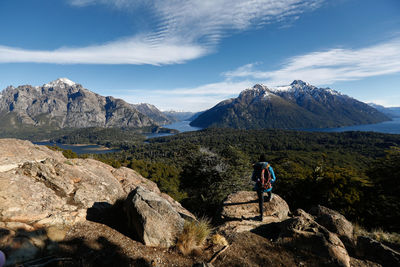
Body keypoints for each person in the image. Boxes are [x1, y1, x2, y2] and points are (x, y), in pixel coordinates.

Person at [251, 154, 276, 221]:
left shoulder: (256, 167)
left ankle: (261, 216)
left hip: (259, 186)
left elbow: (253, 178)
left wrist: (259, 181)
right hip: (268, 186)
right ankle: (269, 196)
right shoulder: (269, 167)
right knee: (269, 189)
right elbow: (274, 178)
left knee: (261, 201)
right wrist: (268, 182)